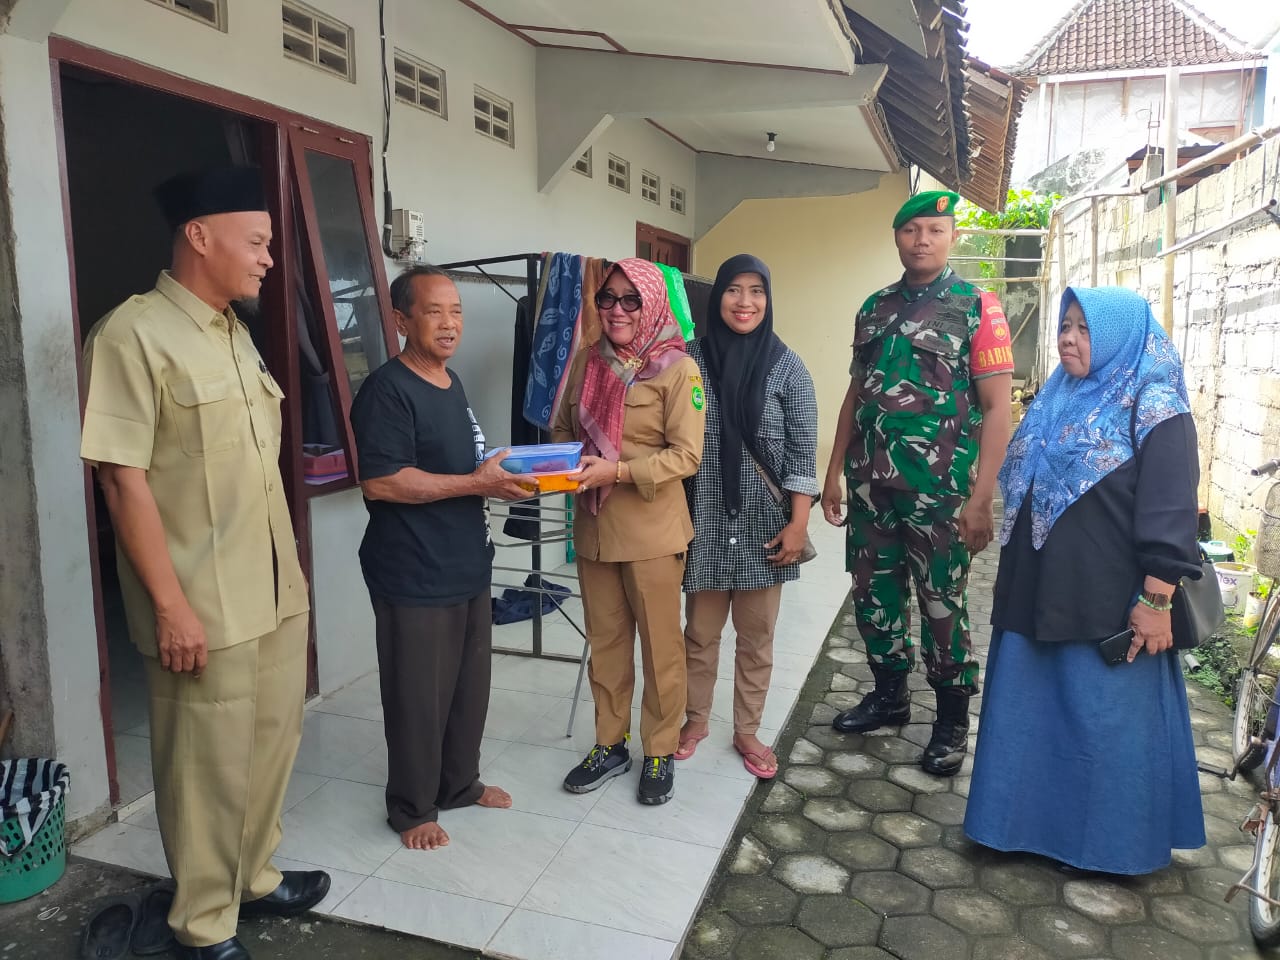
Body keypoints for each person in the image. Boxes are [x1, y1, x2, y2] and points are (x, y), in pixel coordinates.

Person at [80, 167, 328, 960]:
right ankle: (202, 924)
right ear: (199, 236)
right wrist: (171, 606)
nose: (268, 259)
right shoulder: (132, 335)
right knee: (206, 768)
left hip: (274, 590)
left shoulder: (233, 332)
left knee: (270, 748)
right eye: (256, 242)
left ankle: (252, 877)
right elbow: (122, 481)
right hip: (202, 602)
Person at [964, 286, 1206, 874]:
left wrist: (1156, 600)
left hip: (1108, 604)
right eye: (1064, 326)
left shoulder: (1155, 403)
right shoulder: (1060, 391)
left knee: (1103, 720)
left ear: (1118, 334)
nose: (1068, 338)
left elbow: (1172, 507)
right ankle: (1016, 827)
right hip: (1038, 589)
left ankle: (1104, 848)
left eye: (1083, 328)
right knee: (1031, 711)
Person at [822, 190, 1014, 777]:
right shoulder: (874, 307)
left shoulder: (978, 307)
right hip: (869, 488)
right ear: (897, 238)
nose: (922, 240)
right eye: (911, 230)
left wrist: (982, 499)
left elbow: (998, 408)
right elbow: (856, 394)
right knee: (873, 595)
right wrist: (832, 472)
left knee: (941, 604)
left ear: (952, 236)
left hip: (941, 494)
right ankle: (889, 696)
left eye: (934, 229)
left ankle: (951, 720)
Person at [349, 265, 526, 851]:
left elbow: (462, 464)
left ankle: (458, 784)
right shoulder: (387, 390)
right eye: (434, 311)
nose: (449, 323)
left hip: (465, 562)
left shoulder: (451, 382)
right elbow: (383, 481)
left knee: (467, 690)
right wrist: (477, 484)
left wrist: (504, 474)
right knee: (417, 697)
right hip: (413, 570)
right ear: (402, 321)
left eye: (456, 311)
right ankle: (411, 807)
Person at [553, 258, 705, 805]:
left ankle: (659, 748)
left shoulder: (677, 369)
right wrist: (562, 462)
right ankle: (609, 743)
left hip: (651, 534)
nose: (616, 310)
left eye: (630, 299)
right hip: (595, 529)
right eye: (607, 299)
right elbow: (563, 428)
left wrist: (615, 471)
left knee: (661, 649)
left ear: (652, 304)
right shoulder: (587, 361)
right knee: (607, 644)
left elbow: (686, 456)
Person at [677, 254, 819, 779]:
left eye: (756, 291)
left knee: (757, 638)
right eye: (734, 290)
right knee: (700, 633)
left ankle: (747, 730)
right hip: (705, 522)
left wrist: (798, 525)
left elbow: (802, 455)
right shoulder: (688, 360)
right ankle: (695, 720)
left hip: (765, 528)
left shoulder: (788, 367)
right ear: (717, 297)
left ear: (768, 299)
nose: (745, 302)